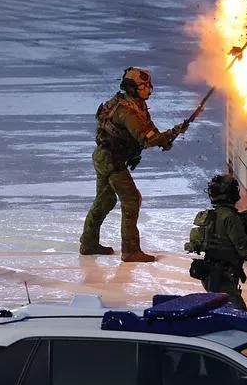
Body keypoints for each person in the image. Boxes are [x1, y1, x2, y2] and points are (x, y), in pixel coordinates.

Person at [79, 67, 186, 262]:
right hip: (112, 161)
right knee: (131, 199)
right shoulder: (128, 112)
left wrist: (165, 138)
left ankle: (88, 243)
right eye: (144, 86)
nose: (149, 89)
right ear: (132, 88)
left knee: (105, 200)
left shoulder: (134, 106)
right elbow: (146, 139)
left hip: (105, 157)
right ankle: (130, 250)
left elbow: (150, 132)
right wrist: (169, 135)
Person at [185, 174, 247, 310]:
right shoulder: (230, 217)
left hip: (213, 275)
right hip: (224, 278)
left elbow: (246, 217)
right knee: (239, 313)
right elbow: (244, 249)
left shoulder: (216, 214)